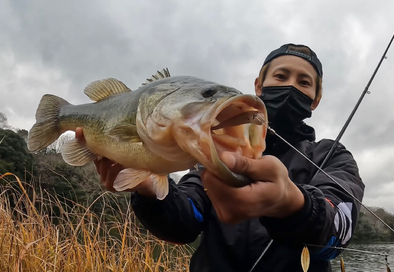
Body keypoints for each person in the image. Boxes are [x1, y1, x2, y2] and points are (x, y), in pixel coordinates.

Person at [75, 43, 365, 272]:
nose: (290, 86)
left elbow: (337, 232)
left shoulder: (332, 156)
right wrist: (150, 191)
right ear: (258, 86)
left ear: (315, 98)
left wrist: (294, 206)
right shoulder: (217, 148)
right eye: (280, 76)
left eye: (304, 82)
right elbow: (185, 221)